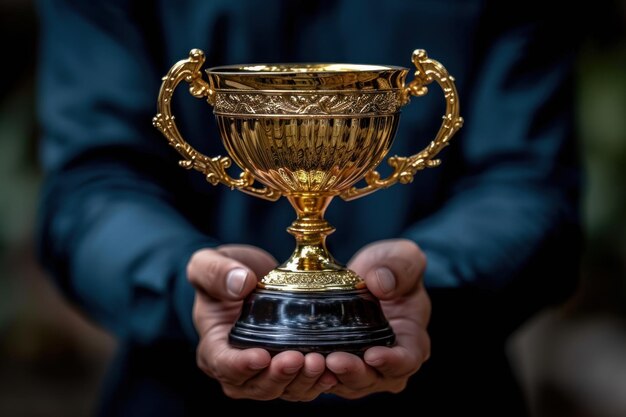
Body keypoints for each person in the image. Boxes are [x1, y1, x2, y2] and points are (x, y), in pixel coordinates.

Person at [36, 0, 583, 415]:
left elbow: (530, 184)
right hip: (175, 392)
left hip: (450, 385)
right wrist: (191, 283)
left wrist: (424, 278)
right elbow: (90, 187)